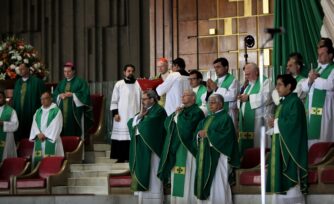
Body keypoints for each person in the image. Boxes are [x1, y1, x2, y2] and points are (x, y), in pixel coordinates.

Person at [158, 89, 205, 203]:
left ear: (193, 98)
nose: (182, 97)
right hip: (177, 147)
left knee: (188, 174)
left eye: (185, 95)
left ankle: (188, 200)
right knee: (176, 173)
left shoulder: (197, 111)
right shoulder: (181, 110)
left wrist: (178, 116)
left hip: (188, 147)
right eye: (182, 95)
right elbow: (167, 124)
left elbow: (187, 128)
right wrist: (175, 114)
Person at [267, 74, 308, 204]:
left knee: (289, 174)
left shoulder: (295, 102)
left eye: (279, 85)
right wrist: (274, 124)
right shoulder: (284, 102)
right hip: (281, 144)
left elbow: (294, 124)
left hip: (291, 146)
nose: (277, 88)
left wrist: (277, 123)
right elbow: (282, 123)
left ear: (289, 86)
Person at [194, 94, 240, 204]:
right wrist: (199, 135)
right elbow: (198, 131)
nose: (210, 105)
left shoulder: (225, 118)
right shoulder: (207, 118)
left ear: (221, 104)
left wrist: (208, 134)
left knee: (217, 181)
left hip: (219, 156)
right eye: (209, 102)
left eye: (213, 102)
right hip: (205, 154)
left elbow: (227, 137)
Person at [128, 90, 167, 204]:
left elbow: (149, 126)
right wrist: (140, 116)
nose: (142, 101)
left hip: (152, 149)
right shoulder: (144, 111)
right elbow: (131, 122)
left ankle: (154, 200)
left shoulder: (159, 110)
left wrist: (139, 122)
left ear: (152, 99)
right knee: (141, 171)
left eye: (144, 99)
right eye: (142, 99)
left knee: (153, 174)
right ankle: (141, 199)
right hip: (141, 148)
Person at [301, 38, 334, 147]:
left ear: (330, 55)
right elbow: (304, 88)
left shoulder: (332, 69)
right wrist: (310, 79)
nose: (319, 56)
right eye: (318, 53)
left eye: (322, 53)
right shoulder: (317, 70)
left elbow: (330, 85)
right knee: (311, 143)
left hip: (325, 111)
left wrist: (314, 79)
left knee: (323, 140)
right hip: (311, 112)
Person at [238, 62, 273, 155]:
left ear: (257, 72)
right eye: (245, 74)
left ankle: (260, 164)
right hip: (248, 120)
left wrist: (248, 98)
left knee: (259, 145)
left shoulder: (266, 82)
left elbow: (266, 97)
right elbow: (243, 101)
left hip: (260, 121)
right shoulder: (248, 85)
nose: (246, 76)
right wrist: (240, 99)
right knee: (250, 146)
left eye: (248, 74)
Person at [53, 62, 93, 138]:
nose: (66, 73)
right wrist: (59, 96)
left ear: (73, 71)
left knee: (73, 128)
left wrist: (73, 95)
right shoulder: (61, 83)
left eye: (69, 71)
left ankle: (76, 146)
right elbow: (55, 94)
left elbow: (85, 95)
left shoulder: (80, 82)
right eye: (65, 71)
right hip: (61, 111)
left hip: (75, 111)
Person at [110, 64, 141, 162]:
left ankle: (132, 157)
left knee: (132, 135)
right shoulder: (119, 84)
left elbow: (141, 99)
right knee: (121, 136)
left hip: (135, 114)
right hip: (122, 115)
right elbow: (114, 99)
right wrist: (115, 113)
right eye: (128, 71)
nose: (130, 73)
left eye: (132, 71)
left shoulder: (138, 84)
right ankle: (120, 157)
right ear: (124, 72)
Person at [13, 62, 46, 141]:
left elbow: (44, 97)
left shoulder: (37, 82)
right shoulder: (17, 83)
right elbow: (15, 99)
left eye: (23, 69)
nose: (20, 71)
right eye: (19, 69)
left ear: (28, 69)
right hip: (19, 114)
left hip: (32, 114)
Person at [29, 92, 64, 167]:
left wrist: (45, 135)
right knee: (39, 160)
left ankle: (53, 176)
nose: (43, 101)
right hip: (39, 139)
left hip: (51, 139)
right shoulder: (38, 111)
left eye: (45, 98)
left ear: (51, 99)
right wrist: (38, 133)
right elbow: (34, 124)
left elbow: (56, 125)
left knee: (52, 162)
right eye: (41, 99)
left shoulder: (56, 111)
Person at [204, 58, 239, 127]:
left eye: (218, 67)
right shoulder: (216, 81)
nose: (216, 70)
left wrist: (216, 88)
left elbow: (232, 96)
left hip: (228, 113)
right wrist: (208, 91)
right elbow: (207, 99)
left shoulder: (233, 80)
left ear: (226, 67)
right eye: (215, 67)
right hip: (215, 114)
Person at [0, 91, 19, 162]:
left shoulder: (11, 111)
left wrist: (3, 123)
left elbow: (15, 125)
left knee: (6, 158)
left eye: (0, 97)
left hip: (7, 138)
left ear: (4, 98)